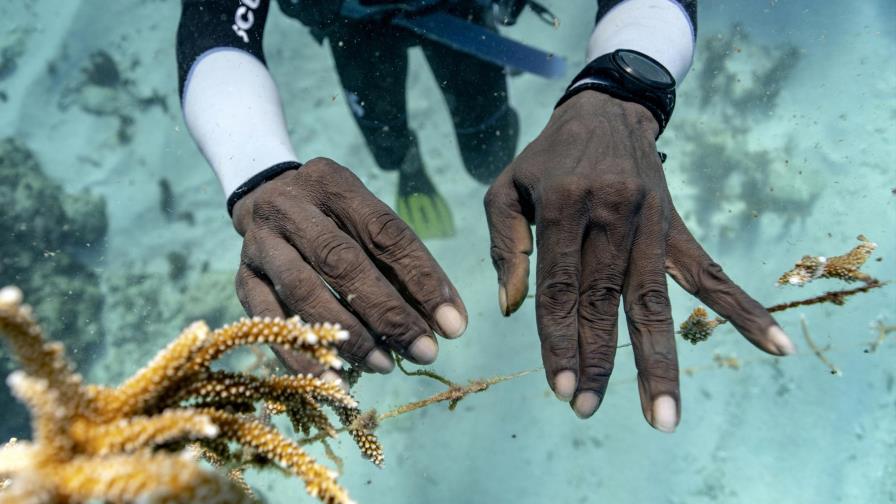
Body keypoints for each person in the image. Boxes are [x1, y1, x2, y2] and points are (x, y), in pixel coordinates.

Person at [176, 0, 795, 433]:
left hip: (461, 13)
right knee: (391, 141)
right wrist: (257, 172)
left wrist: (621, 83)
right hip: (353, 23)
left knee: (486, 149)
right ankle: (409, 167)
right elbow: (214, 22)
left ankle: (483, 172)